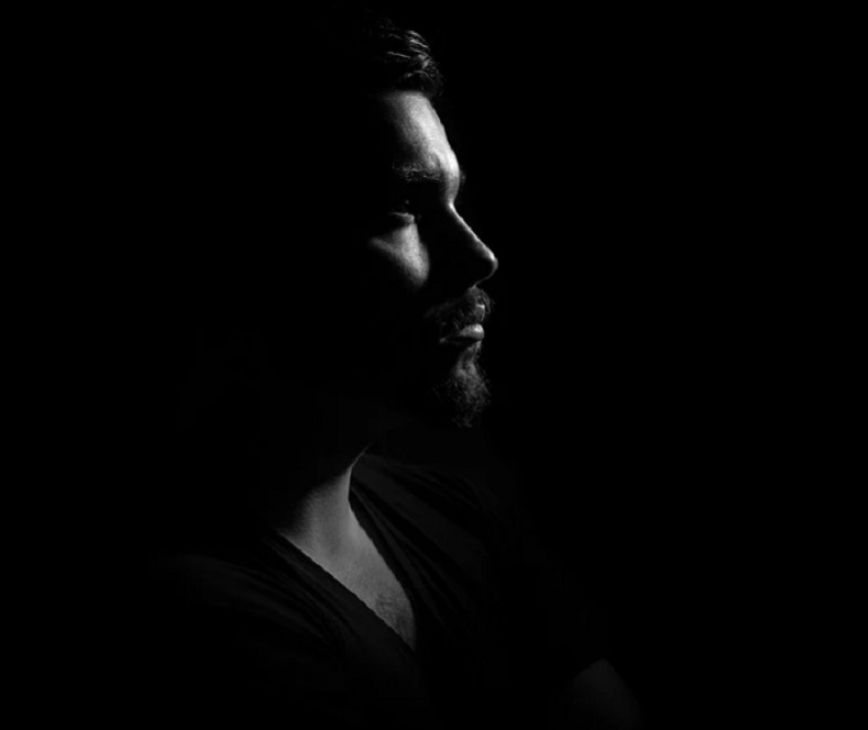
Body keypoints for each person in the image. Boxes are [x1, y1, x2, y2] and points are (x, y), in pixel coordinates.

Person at [128, 5, 644, 729]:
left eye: (455, 201)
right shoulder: (185, 611)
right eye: (404, 206)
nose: (479, 256)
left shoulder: (460, 516)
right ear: (254, 248)